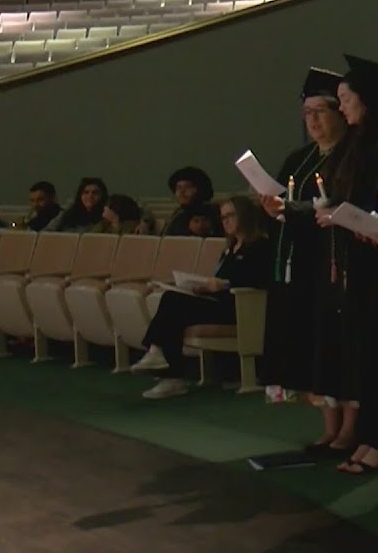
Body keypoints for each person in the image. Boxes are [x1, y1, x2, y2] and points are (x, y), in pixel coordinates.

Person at [312, 54, 378, 467]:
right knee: (362, 355)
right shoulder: (357, 144)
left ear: (365, 100)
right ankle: (368, 435)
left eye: (346, 98)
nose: (343, 106)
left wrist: (347, 216)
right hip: (356, 260)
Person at [258, 67, 351, 454]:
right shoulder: (300, 159)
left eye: (321, 111)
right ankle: (328, 425)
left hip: (334, 263)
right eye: (307, 112)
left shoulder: (351, 158)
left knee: (338, 347)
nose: (312, 119)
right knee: (312, 347)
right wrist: (271, 207)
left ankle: (350, 427)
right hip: (301, 267)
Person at [131, 196, 272, 398]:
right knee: (172, 300)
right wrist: (203, 286)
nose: (226, 221)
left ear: (245, 216)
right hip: (220, 302)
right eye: (223, 217)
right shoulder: (230, 248)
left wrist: (223, 284)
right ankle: (165, 366)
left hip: (241, 307)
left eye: (231, 215)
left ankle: (164, 363)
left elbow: (258, 279)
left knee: (173, 304)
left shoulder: (260, 246)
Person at [161, 167, 222, 237]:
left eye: (187, 187)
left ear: (200, 189)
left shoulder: (213, 212)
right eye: (178, 188)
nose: (182, 192)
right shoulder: (179, 213)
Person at [44, 178, 108, 233]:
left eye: (95, 192)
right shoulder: (68, 212)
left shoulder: (105, 218)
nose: (90, 196)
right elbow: (47, 232)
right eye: (86, 192)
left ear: (102, 196)